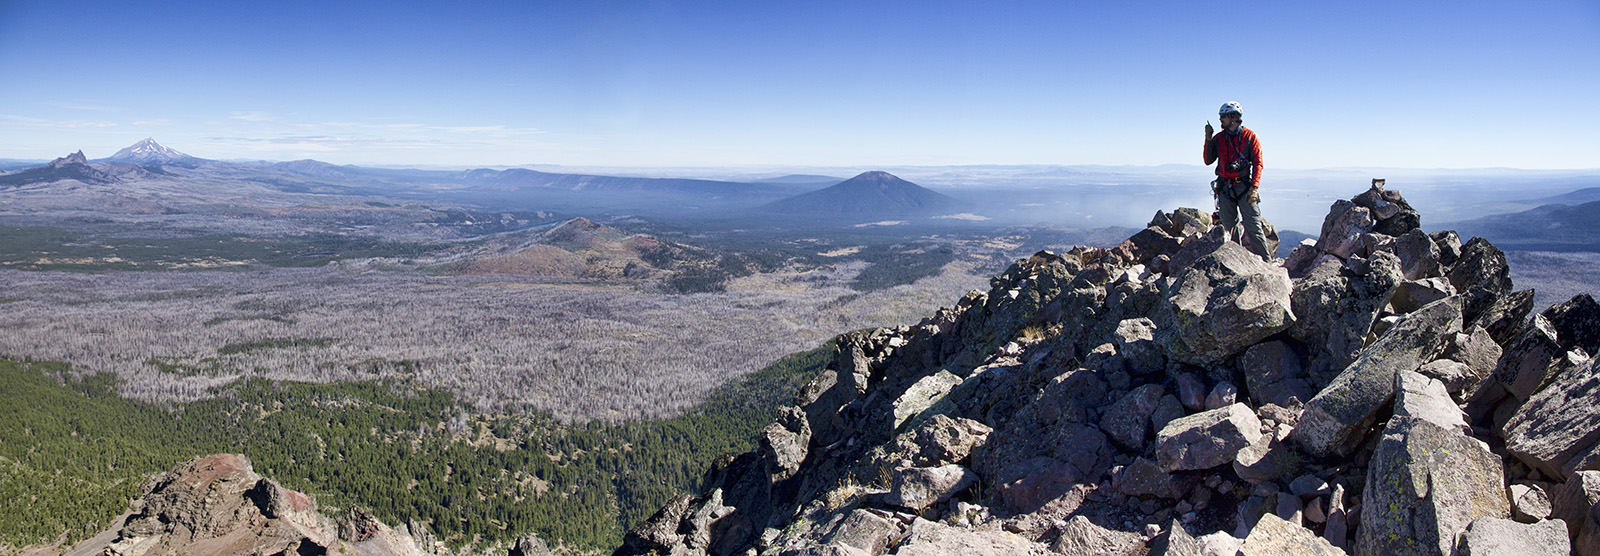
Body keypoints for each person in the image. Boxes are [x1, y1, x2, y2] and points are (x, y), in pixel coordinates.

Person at [1204, 101, 1269, 260]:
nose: (1220, 120)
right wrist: (1208, 139)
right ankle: (1236, 261)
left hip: (1245, 187)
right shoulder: (1219, 138)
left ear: (1234, 117)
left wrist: (1254, 187)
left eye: (1223, 117)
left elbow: (1258, 163)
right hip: (1225, 187)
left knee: (1253, 226)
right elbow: (1208, 160)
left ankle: (1266, 263)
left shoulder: (1250, 137)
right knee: (1229, 228)